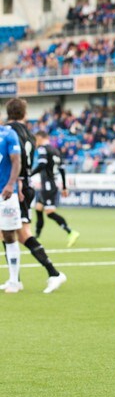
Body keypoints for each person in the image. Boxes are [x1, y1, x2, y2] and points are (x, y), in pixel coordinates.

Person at [1, 98, 67, 294]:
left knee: (20, 233)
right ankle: (15, 279)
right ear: (24, 114)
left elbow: (16, 160)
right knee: (10, 232)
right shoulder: (29, 134)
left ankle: (53, 273)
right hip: (24, 185)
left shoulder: (8, 132)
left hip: (18, 187)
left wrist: (16, 182)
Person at [32, 131, 80, 248]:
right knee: (38, 208)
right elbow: (62, 170)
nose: (35, 143)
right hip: (51, 183)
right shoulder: (56, 151)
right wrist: (64, 187)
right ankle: (36, 237)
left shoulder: (43, 149)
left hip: (48, 184)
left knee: (49, 213)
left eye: (36, 140)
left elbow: (42, 165)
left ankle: (71, 232)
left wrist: (29, 174)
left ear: (39, 137)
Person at [0, 120, 22, 293]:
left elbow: (16, 161)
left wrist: (11, 184)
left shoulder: (8, 134)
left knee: (8, 234)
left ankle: (14, 281)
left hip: (5, 193)